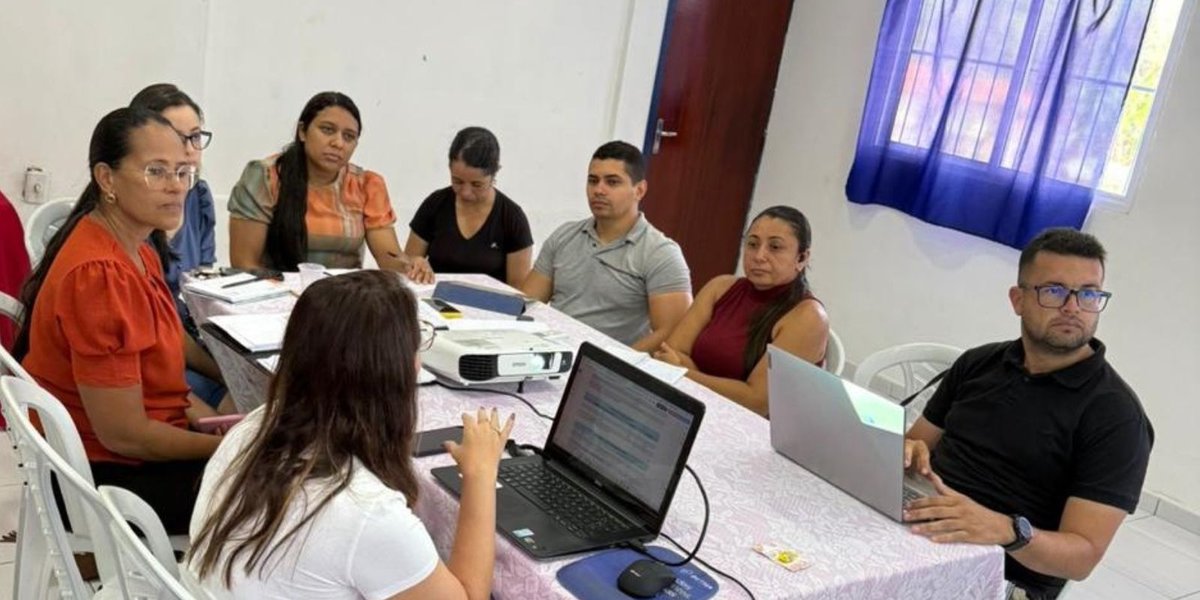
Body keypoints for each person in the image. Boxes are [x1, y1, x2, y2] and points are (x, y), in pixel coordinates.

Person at [189, 270, 514, 599]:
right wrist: (481, 474)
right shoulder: (367, 511)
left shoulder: (257, 425)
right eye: (415, 346)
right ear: (395, 372)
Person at [902, 229, 1154, 600]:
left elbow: (1081, 557)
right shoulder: (979, 363)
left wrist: (1005, 530)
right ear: (1017, 299)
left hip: (1001, 576)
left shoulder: (1117, 417)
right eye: (1054, 290)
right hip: (919, 532)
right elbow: (916, 443)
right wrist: (910, 451)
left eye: (1088, 293)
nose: (1073, 307)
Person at [15, 106, 223, 533]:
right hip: (100, 481)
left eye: (182, 172)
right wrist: (228, 449)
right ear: (107, 179)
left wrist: (225, 378)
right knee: (289, 497)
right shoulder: (99, 274)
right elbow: (124, 435)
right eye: (156, 171)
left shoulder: (137, 246)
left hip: (126, 457)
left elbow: (166, 339)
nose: (176, 186)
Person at [227, 91, 430, 282]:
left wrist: (411, 265)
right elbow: (245, 263)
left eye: (349, 136)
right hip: (276, 291)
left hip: (343, 296)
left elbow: (388, 258)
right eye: (327, 130)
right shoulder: (266, 176)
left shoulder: (367, 184)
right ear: (302, 132)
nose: (338, 143)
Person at [654, 206, 828, 416]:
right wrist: (696, 376)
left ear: (801, 258)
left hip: (752, 427)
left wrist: (684, 373)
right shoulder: (720, 287)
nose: (759, 256)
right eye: (753, 244)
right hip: (691, 407)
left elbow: (757, 401)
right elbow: (670, 352)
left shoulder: (808, 317)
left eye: (774, 247)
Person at [521, 141, 691, 351]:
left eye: (612, 182)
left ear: (639, 190)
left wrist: (613, 362)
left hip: (607, 365)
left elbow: (672, 332)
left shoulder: (660, 253)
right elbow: (528, 303)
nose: (599, 190)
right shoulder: (565, 235)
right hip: (548, 352)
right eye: (593, 181)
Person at [129, 83, 232, 413]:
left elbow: (203, 281)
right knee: (240, 407)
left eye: (195, 137)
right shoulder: (130, 221)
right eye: (176, 137)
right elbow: (141, 345)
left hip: (184, 335)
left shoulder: (198, 197)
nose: (189, 150)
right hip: (148, 353)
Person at [404, 127, 533, 287]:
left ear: (494, 174)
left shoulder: (512, 218)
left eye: (477, 185)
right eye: (457, 181)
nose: (465, 193)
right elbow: (407, 264)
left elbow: (518, 291)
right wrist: (415, 264)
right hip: (434, 298)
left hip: (489, 301)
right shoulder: (435, 204)